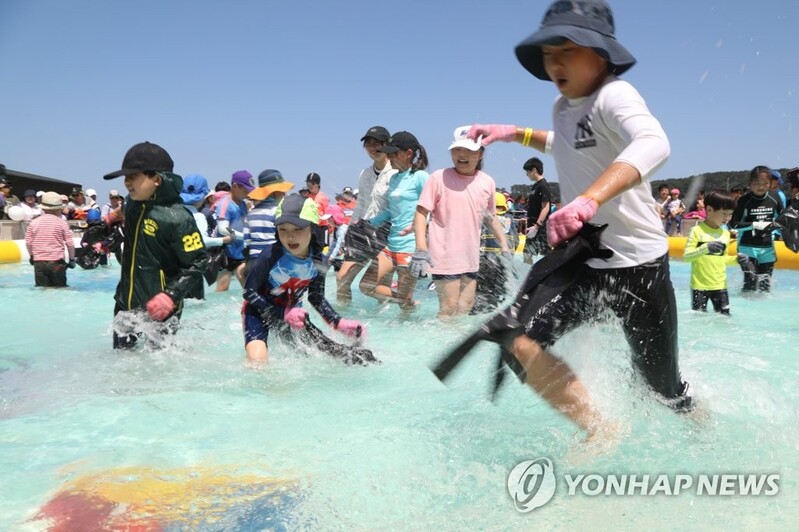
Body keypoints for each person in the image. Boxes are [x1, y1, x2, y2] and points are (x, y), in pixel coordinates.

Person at [467, 0, 692, 435]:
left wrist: (587, 201)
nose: (554, 63)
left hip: (639, 268)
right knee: (517, 339)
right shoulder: (562, 108)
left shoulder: (615, 94)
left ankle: (702, 425)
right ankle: (600, 430)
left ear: (601, 54)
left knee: (663, 392)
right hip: (588, 264)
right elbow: (565, 143)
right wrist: (513, 133)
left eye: (566, 50)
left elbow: (654, 142)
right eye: (548, 54)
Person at [102, 141, 209, 349]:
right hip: (125, 302)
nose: (126, 182)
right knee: (123, 362)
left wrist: (171, 295)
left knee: (158, 370)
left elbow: (199, 260)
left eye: (133, 176)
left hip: (161, 308)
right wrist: (106, 226)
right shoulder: (132, 204)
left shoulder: (178, 217)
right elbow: (121, 215)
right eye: (125, 176)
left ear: (157, 179)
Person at [242, 193, 367, 366]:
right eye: (283, 229)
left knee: (336, 353)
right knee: (258, 363)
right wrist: (283, 313)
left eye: (297, 229)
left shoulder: (318, 261)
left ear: (313, 229)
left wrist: (339, 323)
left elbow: (316, 297)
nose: (290, 236)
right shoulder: (270, 255)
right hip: (258, 312)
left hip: (293, 316)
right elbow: (249, 292)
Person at [412, 126, 511, 318]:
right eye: (457, 149)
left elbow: (490, 216)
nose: (462, 155)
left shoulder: (487, 182)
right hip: (444, 255)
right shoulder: (438, 178)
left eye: (469, 150)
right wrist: (421, 248)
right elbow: (421, 213)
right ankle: (440, 344)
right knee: (448, 308)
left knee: (466, 306)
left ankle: (452, 344)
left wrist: (504, 245)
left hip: (470, 257)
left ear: (481, 153)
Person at [360, 131, 429, 312]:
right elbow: (391, 210)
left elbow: (432, 207)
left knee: (404, 309)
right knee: (366, 286)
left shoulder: (420, 177)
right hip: (391, 244)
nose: (388, 157)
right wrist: (370, 222)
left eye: (392, 153)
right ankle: (407, 302)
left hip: (410, 246)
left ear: (408, 153)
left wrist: (421, 230)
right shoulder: (394, 178)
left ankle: (406, 313)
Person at [336, 126, 397, 305]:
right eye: (369, 144)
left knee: (375, 286)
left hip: (387, 234)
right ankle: (341, 321)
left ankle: (401, 308)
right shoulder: (365, 173)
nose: (373, 147)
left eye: (377, 143)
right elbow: (361, 203)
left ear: (387, 145)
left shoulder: (395, 172)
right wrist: (349, 230)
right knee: (342, 279)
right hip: (363, 232)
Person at [682, 190, 746, 314]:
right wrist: (706, 248)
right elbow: (687, 257)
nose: (727, 218)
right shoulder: (696, 231)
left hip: (720, 286)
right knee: (699, 318)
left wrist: (737, 260)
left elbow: (723, 259)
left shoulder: (725, 233)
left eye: (730, 214)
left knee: (725, 318)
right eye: (724, 214)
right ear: (710, 210)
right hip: (699, 287)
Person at [730, 165, 781, 292]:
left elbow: (783, 219)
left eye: (765, 183)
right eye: (757, 183)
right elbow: (734, 224)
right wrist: (753, 225)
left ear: (770, 184)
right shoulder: (744, 200)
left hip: (767, 248)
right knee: (750, 282)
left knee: (765, 286)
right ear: (750, 184)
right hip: (747, 247)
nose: (761, 187)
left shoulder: (775, 198)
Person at [180, 173, 232, 292]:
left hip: (174, 270)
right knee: (196, 305)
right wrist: (224, 240)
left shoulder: (174, 213)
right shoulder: (199, 217)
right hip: (193, 268)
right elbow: (203, 241)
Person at [472, 192, 519, 314]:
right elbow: (516, 241)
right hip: (503, 262)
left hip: (486, 262)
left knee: (482, 293)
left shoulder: (484, 218)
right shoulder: (510, 219)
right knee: (500, 291)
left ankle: (479, 310)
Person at [243, 169, 294, 276]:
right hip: (272, 260)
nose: (284, 194)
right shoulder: (278, 211)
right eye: (282, 191)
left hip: (253, 262)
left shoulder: (250, 214)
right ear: (276, 193)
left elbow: (247, 241)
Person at [24, 191, 76, 287]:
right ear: (59, 209)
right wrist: (72, 260)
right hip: (57, 262)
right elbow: (70, 244)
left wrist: (32, 256)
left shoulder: (34, 223)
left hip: (39, 263)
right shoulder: (62, 223)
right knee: (60, 289)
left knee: (42, 289)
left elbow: (28, 242)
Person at [214, 170, 255, 292]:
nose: (248, 193)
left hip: (240, 252)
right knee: (221, 291)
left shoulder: (243, 204)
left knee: (248, 288)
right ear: (235, 186)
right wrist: (244, 236)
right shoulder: (225, 204)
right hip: (225, 255)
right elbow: (223, 228)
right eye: (245, 190)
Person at [522, 157, 552, 264]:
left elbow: (546, 207)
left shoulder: (543, 185)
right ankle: (529, 278)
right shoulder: (535, 186)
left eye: (527, 171)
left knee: (545, 256)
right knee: (526, 254)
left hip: (540, 228)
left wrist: (537, 226)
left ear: (534, 170)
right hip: (532, 226)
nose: (526, 174)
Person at [305, 172, 330, 246]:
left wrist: (330, 229)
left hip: (321, 228)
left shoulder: (323, 197)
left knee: (322, 250)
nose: (309, 186)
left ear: (318, 184)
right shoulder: (307, 197)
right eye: (308, 184)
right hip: (309, 227)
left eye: (311, 184)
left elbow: (327, 214)